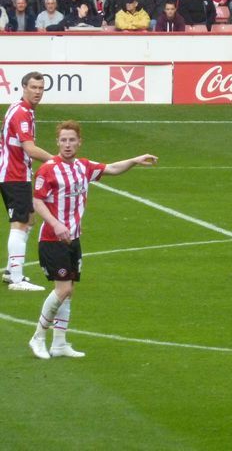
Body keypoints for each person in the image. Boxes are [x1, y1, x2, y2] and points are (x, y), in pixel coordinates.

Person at [28, 120, 156, 359]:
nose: (67, 144)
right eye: (63, 140)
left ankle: (59, 342)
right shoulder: (47, 169)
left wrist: (135, 160)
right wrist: (55, 224)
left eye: (71, 140)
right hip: (52, 239)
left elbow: (112, 168)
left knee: (69, 291)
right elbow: (37, 201)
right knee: (62, 289)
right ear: (57, 142)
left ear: (79, 142)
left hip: (74, 239)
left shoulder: (83, 166)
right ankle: (38, 336)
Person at [1, 72, 51, 291]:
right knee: (20, 223)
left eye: (41, 88)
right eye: (33, 87)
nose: (38, 92)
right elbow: (29, 149)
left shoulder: (21, 109)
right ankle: (16, 278)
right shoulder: (22, 113)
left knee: (29, 218)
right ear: (23, 87)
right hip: (14, 174)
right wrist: (58, 160)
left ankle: (12, 270)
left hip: (15, 172)